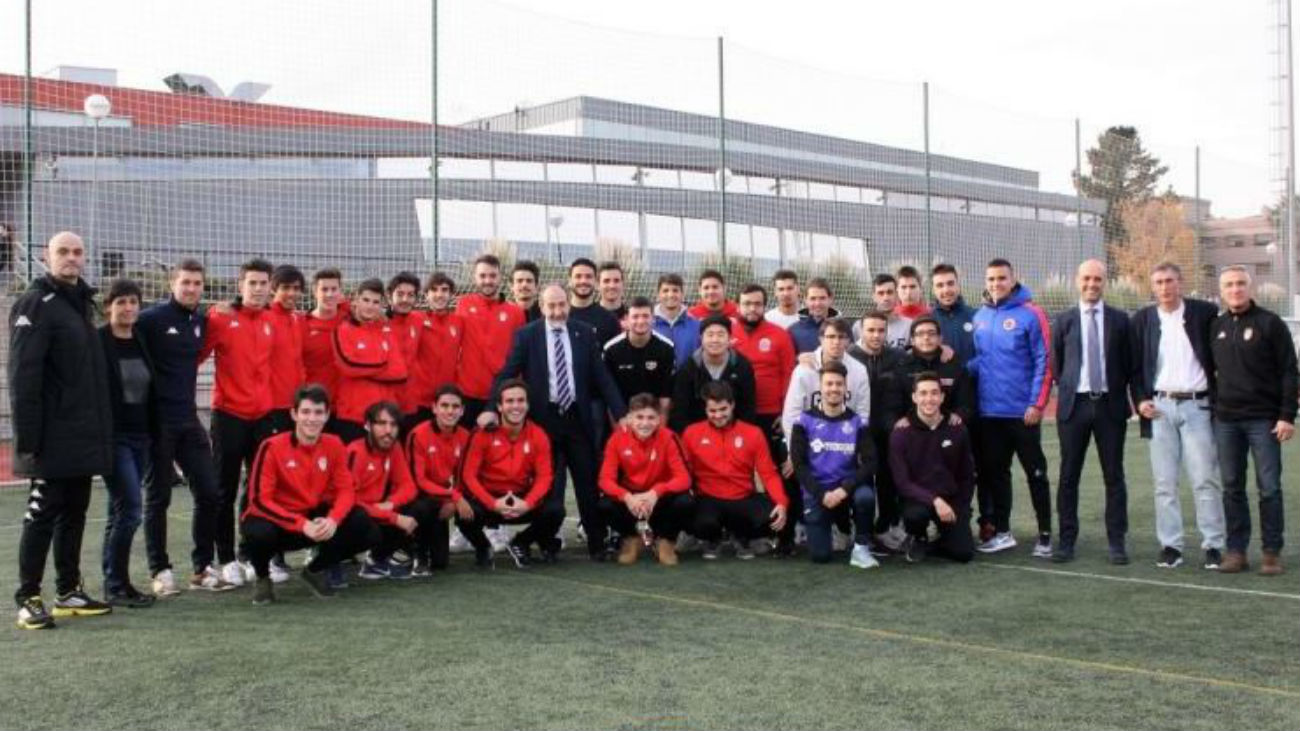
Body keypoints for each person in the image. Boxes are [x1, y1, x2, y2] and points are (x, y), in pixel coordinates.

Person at [10, 232, 114, 629]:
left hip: (82, 436)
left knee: (74, 513)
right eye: (63, 252)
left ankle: (68, 591)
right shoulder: (36, 303)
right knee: (41, 515)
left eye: (77, 252)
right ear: (46, 256)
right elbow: (23, 376)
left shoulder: (81, 304)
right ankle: (28, 597)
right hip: (51, 440)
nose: (71, 258)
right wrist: (28, 440)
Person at [486, 285, 628, 560]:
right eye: (551, 306)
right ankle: (545, 542)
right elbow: (507, 374)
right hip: (544, 421)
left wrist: (621, 413)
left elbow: (602, 377)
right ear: (541, 306)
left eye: (562, 305)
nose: (557, 311)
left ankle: (597, 545)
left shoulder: (584, 333)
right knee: (552, 490)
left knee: (588, 485)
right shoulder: (527, 335)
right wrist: (491, 408)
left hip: (578, 419)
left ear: (568, 305)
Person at [136, 258, 230, 594]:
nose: (191, 289)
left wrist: (226, 307)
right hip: (156, 422)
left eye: (197, 283)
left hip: (188, 420)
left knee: (209, 492)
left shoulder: (200, 321)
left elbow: (224, 316)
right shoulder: (150, 319)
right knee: (158, 497)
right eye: (185, 282)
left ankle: (202, 568)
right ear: (172, 285)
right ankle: (160, 570)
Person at [239, 384, 379, 604]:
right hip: (281, 523)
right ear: (294, 414)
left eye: (318, 412)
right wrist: (301, 524)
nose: (312, 419)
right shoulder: (271, 446)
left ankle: (314, 570)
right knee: (258, 531)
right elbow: (259, 501)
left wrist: (333, 520)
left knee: (366, 527)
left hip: (313, 519)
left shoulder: (334, 444)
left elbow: (346, 490)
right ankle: (263, 578)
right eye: (305, 412)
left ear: (327, 415)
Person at [1130, 262, 1225, 570]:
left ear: (1180, 282)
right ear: (1152, 287)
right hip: (1160, 408)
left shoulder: (1204, 313)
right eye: (1158, 282)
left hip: (1198, 406)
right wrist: (1140, 400)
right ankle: (1170, 545)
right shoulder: (1143, 319)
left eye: (1169, 280)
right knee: (1164, 482)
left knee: (1204, 479)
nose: (1164, 287)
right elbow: (1136, 366)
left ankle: (1214, 545)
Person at [1210, 266, 1299, 575]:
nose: (1235, 289)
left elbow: (1289, 371)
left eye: (1240, 284)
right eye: (1229, 285)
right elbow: (1210, 371)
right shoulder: (1217, 326)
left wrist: (1286, 415)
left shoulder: (1270, 323)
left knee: (1269, 487)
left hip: (1264, 420)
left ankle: (1271, 553)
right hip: (1226, 422)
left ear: (1250, 288)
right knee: (1231, 487)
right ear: (1222, 291)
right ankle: (1236, 552)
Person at [1050, 259, 1135, 564]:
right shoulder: (1063, 320)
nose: (1091, 284)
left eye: (1097, 279)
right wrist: (1073, 388)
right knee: (1068, 476)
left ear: (1105, 282)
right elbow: (1057, 365)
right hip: (1075, 406)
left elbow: (1128, 363)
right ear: (1077, 280)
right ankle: (1066, 540)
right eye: (1086, 278)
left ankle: (1117, 542)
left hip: (1110, 406)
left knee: (1114, 476)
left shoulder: (1120, 320)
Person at [968, 258, 1053, 557]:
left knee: (1036, 473)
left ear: (1013, 279)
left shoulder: (1032, 313)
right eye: (991, 279)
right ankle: (1003, 532)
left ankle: (1045, 535)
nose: (996, 284)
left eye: (1001, 278)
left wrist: (1036, 404)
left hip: (1023, 413)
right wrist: (952, 366)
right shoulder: (980, 316)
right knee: (997, 475)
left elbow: (1044, 360)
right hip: (990, 413)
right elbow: (981, 361)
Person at [202, 257, 276, 587]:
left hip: (263, 417)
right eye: (252, 283)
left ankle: (249, 554)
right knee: (225, 489)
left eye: (263, 283)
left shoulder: (271, 320)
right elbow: (195, 354)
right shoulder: (220, 317)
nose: (258, 289)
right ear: (240, 285)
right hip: (229, 415)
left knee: (257, 490)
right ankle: (226, 558)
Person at [458, 379, 564, 568]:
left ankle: (522, 542)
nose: (515, 406)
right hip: (489, 498)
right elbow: (468, 476)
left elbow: (545, 477)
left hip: (521, 498)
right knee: (464, 513)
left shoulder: (538, 434)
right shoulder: (482, 434)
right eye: (509, 401)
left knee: (555, 510)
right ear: (499, 406)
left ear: (528, 405)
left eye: (520, 400)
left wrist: (528, 503)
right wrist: (492, 503)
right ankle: (483, 547)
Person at [99, 279, 157, 608]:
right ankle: (118, 584)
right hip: (113, 438)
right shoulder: (98, 341)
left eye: (133, 302)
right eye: (121, 302)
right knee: (132, 511)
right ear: (108, 306)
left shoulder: (141, 339)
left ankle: (113, 581)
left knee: (118, 511)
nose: (128, 308)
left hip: (141, 436)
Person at [681, 381, 788, 559]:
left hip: (742, 497)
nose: (718, 415)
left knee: (773, 515)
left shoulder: (753, 433)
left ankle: (742, 536)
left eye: (723, 409)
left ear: (732, 405)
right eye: (712, 411)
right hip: (708, 498)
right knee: (691, 512)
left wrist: (781, 503)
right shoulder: (691, 433)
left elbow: (768, 474)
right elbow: (684, 472)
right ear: (705, 410)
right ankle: (712, 538)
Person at [789, 363, 878, 568]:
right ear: (820, 387)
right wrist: (821, 494)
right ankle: (837, 527)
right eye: (829, 384)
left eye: (839, 384)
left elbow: (871, 463)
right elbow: (799, 465)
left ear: (846, 388)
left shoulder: (858, 422)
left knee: (865, 497)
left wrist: (844, 489)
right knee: (820, 556)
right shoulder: (803, 421)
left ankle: (861, 547)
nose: (834, 388)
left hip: (846, 489)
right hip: (818, 491)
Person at [731, 284, 797, 551]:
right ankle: (745, 532)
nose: (752, 309)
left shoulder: (779, 335)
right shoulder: (727, 333)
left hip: (772, 416)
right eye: (747, 303)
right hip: (737, 417)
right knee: (740, 475)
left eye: (757, 304)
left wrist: (784, 412)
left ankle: (785, 533)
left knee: (779, 473)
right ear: (738, 305)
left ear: (764, 306)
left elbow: (789, 375)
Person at [598, 394, 694, 565]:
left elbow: (684, 478)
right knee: (604, 505)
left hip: (660, 497)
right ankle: (631, 538)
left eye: (651, 417)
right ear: (629, 418)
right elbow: (605, 480)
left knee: (685, 501)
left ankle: (665, 540)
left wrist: (655, 493)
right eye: (639, 417)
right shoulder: (616, 439)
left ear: (659, 419)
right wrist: (627, 497)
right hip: (632, 498)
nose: (645, 423)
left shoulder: (669, 437)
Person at [891, 372, 976, 564]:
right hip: (917, 500)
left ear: (942, 397)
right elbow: (902, 483)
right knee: (915, 516)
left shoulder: (957, 429)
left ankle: (939, 541)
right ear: (914, 397)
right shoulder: (901, 433)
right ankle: (918, 537)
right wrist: (935, 501)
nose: (929, 399)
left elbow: (967, 475)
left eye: (934, 393)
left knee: (964, 553)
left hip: (950, 498)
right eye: (923, 393)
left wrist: (962, 507)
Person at [348, 401, 438, 581]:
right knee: (362, 522)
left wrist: (391, 504)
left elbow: (408, 486)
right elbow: (349, 502)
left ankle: (377, 560)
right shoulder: (355, 452)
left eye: (393, 424)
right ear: (368, 425)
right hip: (356, 515)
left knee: (425, 506)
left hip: (380, 511)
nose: (388, 430)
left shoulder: (394, 447)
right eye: (382, 423)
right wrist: (394, 517)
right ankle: (330, 564)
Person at [848, 311, 908, 552]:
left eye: (881, 330)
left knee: (888, 481)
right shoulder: (849, 356)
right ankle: (858, 528)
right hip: (857, 432)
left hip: (889, 432)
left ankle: (886, 527)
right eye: (870, 330)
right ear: (861, 331)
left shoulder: (898, 357)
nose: (876, 335)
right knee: (861, 482)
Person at [405, 385, 473, 574]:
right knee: (421, 507)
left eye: (455, 406)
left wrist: (452, 500)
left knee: (440, 563)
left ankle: (482, 547)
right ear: (434, 408)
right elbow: (418, 481)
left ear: (462, 410)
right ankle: (414, 551)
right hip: (419, 498)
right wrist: (453, 496)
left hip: (443, 500)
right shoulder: (418, 434)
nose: (450, 411)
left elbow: (466, 476)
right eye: (444, 406)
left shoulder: (466, 437)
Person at [332, 279, 408, 444]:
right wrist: (383, 365)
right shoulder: (343, 329)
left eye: (375, 302)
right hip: (352, 416)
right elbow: (348, 366)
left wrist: (363, 369)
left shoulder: (386, 331)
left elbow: (401, 373)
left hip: (383, 417)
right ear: (356, 300)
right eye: (366, 300)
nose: (370, 306)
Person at [456, 254, 526, 426]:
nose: (488, 281)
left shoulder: (515, 312)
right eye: (482, 276)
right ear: (475, 277)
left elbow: (519, 356)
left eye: (493, 276)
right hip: (466, 392)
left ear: (500, 277)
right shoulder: (463, 304)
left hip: (498, 395)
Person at [669, 314, 758, 432]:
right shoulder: (689, 368)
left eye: (721, 335)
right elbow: (681, 410)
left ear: (729, 338)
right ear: (701, 338)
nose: (715, 340)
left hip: (734, 432)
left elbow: (748, 408)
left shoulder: (742, 366)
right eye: (710, 335)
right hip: (697, 432)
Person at [892, 317, 976, 425]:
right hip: (911, 428)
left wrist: (960, 416)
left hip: (947, 427)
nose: (926, 337)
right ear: (912, 340)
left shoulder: (955, 367)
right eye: (920, 334)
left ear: (940, 339)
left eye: (931, 333)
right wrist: (898, 422)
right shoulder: (901, 368)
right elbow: (892, 406)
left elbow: (967, 404)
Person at [405, 272, 463, 429]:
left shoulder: (459, 322)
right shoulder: (415, 318)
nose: (439, 294)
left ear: (451, 295)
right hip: (419, 400)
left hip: (446, 401)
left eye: (444, 290)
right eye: (434, 290)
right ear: (426, 295)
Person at [603, 296, 677, 414]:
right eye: (635, 316)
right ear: (626, 319)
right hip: (624, 414)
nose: (641, 321)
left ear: (653, 318)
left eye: (645, 316)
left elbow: (665, 396)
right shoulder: (611, 349)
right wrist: (620, 422)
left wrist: (661, 424)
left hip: (653, 416)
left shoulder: (666, 348)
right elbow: (611, 395)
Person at [302, 267, 347, 431]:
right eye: (324, 289)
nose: (329, 294)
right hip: (315, 408)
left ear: (340, 292)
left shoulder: (350, 320)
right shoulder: (303, 324)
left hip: (344, 408)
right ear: (314, 291)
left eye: (334, 289)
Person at [265, 265, 306, 436]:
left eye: (296, 288)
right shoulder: (264, 317)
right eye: (285, 288)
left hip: (296, 404)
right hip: (271, 406)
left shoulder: (298, 319)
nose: (291, 293)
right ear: (273, 289)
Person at [386, 271, 427, 425]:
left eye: (410, 295)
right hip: (386, 400)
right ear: (389, 296)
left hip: (411, 401)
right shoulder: (378, 322)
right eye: (400, 294)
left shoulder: (419, 320)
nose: (405, 299)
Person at [567, 257, 622, 345]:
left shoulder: (609, 319)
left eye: (588, 276)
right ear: (569, 280)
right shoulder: (560, 316)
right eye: (578, 276)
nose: (583, 281)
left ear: (596, 282)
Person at [930, 263, 977, 364]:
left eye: (950, 284)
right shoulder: (928, 320)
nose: (946, 290)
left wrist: (970, 368)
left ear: (958, 285)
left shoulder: (976, 315)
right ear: (934, 290)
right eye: (940, 285)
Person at [653, 273, 700, 369]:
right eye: (665, 291)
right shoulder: (649, 325)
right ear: (658, 295)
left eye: (675, 290)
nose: (670, 295)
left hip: (688, 378)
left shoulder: (696, 325)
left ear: (682, 294)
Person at [788, 278, 841, 354]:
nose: (817, 303)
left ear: (830, 299)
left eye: (822, 298)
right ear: (805, 300)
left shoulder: (843, 329)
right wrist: (798, 359)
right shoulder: (793, 331)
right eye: (813, 299)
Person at [893, 266, 932, 346]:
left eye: (912, 287)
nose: (908, 292)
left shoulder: (931, 314)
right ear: (897, 289)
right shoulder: (891, 315)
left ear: (920, 288)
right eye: (903, 287)